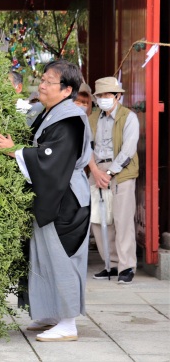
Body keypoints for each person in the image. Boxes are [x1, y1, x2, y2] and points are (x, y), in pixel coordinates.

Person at [0, 60, 92, 342]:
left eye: (49, 81)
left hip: (66, 196)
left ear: (66, 89)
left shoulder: (70, 117)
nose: (42, 85)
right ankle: (52, 313)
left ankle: (68, 321)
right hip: (53, 192)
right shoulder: (50, 112)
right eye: (43, 79)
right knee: (43, 255)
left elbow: (51, 157)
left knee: (62, 256)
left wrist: (14, 151)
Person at [87, 77, 139, 284]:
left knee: (122, 219)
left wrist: (109, 174)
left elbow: (129, 149)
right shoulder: (92, 118)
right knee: (99, 220)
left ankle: (126, 267)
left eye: (108, 94)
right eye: (100, 95)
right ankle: (111, 264)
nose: (104, 98)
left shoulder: (129, 117)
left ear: (118, 96)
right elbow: (86, 146)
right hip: (97, 170)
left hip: (121, 172)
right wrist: (95, 171)